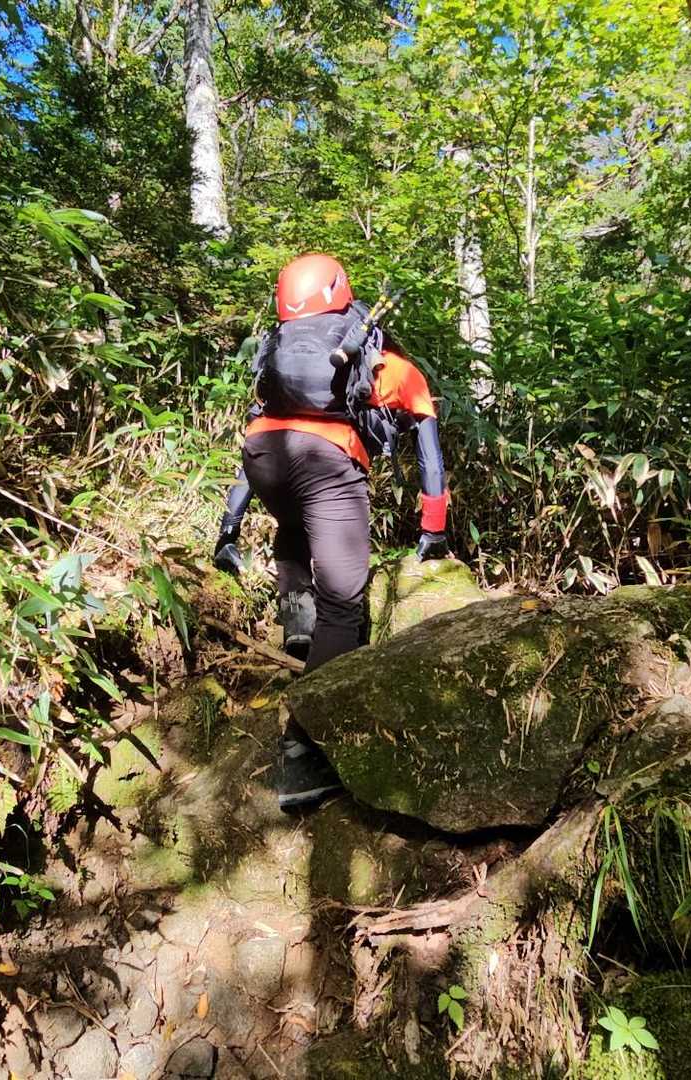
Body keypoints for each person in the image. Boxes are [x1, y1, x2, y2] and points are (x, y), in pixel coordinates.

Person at [212, 253, 449, 811]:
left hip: (262, 458)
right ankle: (303, 752)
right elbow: (429, 455)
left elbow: (261, 436)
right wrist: (433, 528)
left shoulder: (278, 363)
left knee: (294, 519)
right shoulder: (387, 365)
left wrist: (229, 528)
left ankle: (298, 620)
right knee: (344, 604)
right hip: (327, 464)